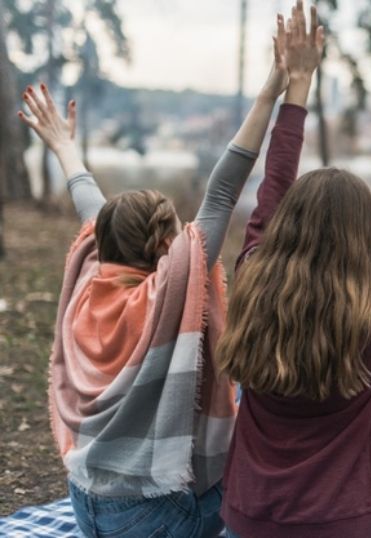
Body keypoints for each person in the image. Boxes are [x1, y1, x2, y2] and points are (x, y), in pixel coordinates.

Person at [17, 15, 293, 538]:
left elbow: (89, 205)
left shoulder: (87, 281)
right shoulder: (167, 296)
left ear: (103, 241)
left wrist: (62, 146)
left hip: (86, 505)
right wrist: (273, 90)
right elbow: (222, 190)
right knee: (256, 438)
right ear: (168, 250)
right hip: (156, 519)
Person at [216, 8, 371, 538]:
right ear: (363, 241)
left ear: (284, 227)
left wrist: (299, 84)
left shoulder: (252, 280)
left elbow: (273, 187)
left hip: (251, 523)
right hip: (349, 527)